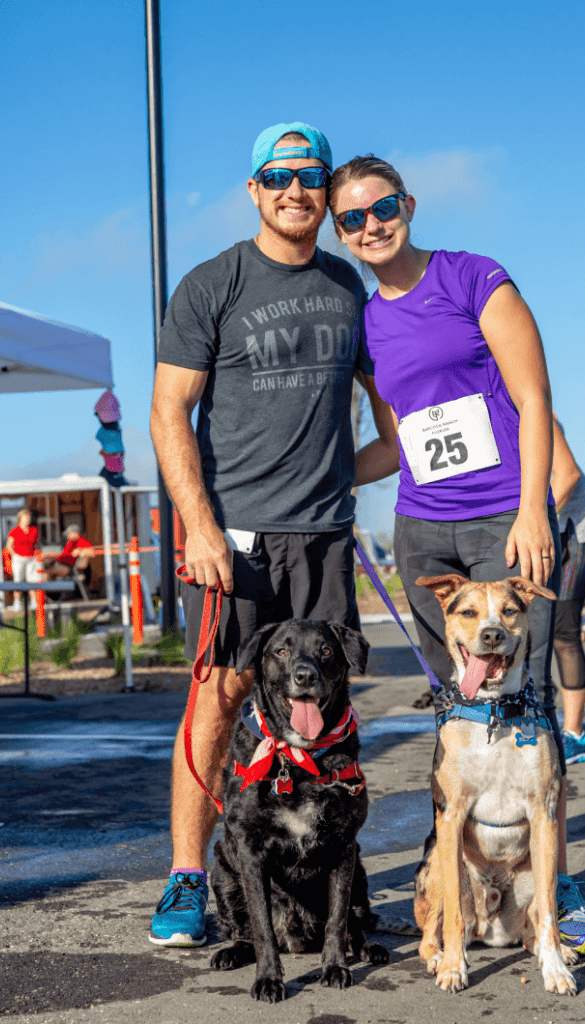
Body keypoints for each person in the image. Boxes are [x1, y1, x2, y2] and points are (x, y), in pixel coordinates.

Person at [330, 154, 585, 955]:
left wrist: (532, 511)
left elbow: (532, 398)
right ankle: (456, 869)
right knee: (461, 704)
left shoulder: (471, 277)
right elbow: (395, 443)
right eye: (349, 219)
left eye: (380, 208)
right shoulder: (365, 321)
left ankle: (555, 885)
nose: (369, 226)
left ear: (406, 204)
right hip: (422, 528)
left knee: (521, 703)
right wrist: (316, 485)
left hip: (498, 518)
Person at [148, 124, 395, 947]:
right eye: (277, 175)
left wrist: (346, 475)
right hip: (235, 537)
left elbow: (390, 412)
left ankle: (325, 878)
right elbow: (167, 413)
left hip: (323, 536)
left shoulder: (345, 287)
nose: (295, 189)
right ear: (253, 190)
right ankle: (189, 877)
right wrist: (199, 525)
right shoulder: (212, 284)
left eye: (310, 176)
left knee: (325, 702)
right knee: (219, 699)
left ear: (326, 193)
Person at [550, 419, 585, 764]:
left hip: (578, 527)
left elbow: (567, 475)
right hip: (551, 527)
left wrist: (530, 518)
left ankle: (575, 735)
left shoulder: (539, 412)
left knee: (563, 630)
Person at [7, 508, 40, 610]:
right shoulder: (14, 531)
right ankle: (17, 603)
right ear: (20, 519)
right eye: (25, 517)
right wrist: (15, 556)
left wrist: (37, 554)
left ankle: (34, 602)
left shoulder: (34, 530)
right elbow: (9, 546)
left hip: (31, 558)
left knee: (32, 580)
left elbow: (38, 544)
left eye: (28, 517)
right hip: (19, 558)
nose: (27, 519)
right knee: (18, 580)